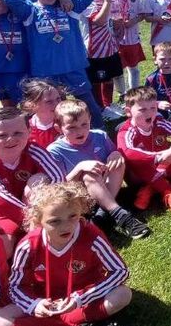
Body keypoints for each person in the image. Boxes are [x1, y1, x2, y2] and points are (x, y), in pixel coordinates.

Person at [0, 182, 130, 326]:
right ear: (38, 220)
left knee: (123, 294)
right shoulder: (28, 245)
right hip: (44, 301)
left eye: (73, 216)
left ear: (81, 211)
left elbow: (120, 271)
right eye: (54, 221)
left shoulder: (91, 235)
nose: (65, 226)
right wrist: (35, 304)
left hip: (82, 298)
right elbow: (14, 286)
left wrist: (80, 299)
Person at [3, 0, 103, 121]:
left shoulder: (69, 6)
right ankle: (50, 131)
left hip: (72, 65)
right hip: (45, 70)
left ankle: (98, 130)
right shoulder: (30, 10)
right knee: (48, 105)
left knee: (87, 102)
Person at [0, 107, 64, 255]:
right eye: (2, 135)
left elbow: (58, 178)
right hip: (0, 214)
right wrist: (35, 217)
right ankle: (10, 270)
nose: (11, 139)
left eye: (18, 133)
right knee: (3, 246)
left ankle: (39, 254)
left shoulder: (34, 151)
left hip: (37, 209)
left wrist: (46, 213)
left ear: (29, 131)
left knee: (39, 180)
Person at [48, 100, 149, 239]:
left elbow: (114, 160)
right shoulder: (55, 150)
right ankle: (122, 216)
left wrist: (115, 153)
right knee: (89, 174)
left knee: (117, 162)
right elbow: (59, 186)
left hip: (106, 187)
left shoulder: (99, 136)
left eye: (84, 124)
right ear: (59, 128)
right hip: (80, 197)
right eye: (72, 128)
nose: (80, 131)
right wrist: (80, 168)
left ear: (90, 119)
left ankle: (103, 214)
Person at [117, 86, 171, 212]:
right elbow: (128, 152)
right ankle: (168, 191)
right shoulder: (126, 130)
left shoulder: (158, 122)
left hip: (162, 167)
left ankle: (150, 189)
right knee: (139, 161)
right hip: (138, 176)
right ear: (128, 111)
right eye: (142, 109)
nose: (149, 113)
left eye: (153, 108)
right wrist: (158, 156)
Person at [76, 0, 122, 115]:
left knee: (109, 77)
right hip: (94, 50)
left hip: (109, 46)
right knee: (96, 80)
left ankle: (108, 105)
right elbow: (99, 21)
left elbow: (107, 22)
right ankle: (98, 107)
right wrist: (108, 3)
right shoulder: (86, 1)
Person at [109, 0, 148, 103]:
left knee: (133, 67)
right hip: (113, 39)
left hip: (131, 38)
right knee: (117, 69)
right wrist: (113, 22)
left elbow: (142, 13)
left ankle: (134, 92)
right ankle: (121, 94)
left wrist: (134, 20)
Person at [20, 78, 65, 150]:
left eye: (58, 99)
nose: (56, 104)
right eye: (49, 102)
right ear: (33, 105)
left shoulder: (67, 123)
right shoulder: (26, 128)